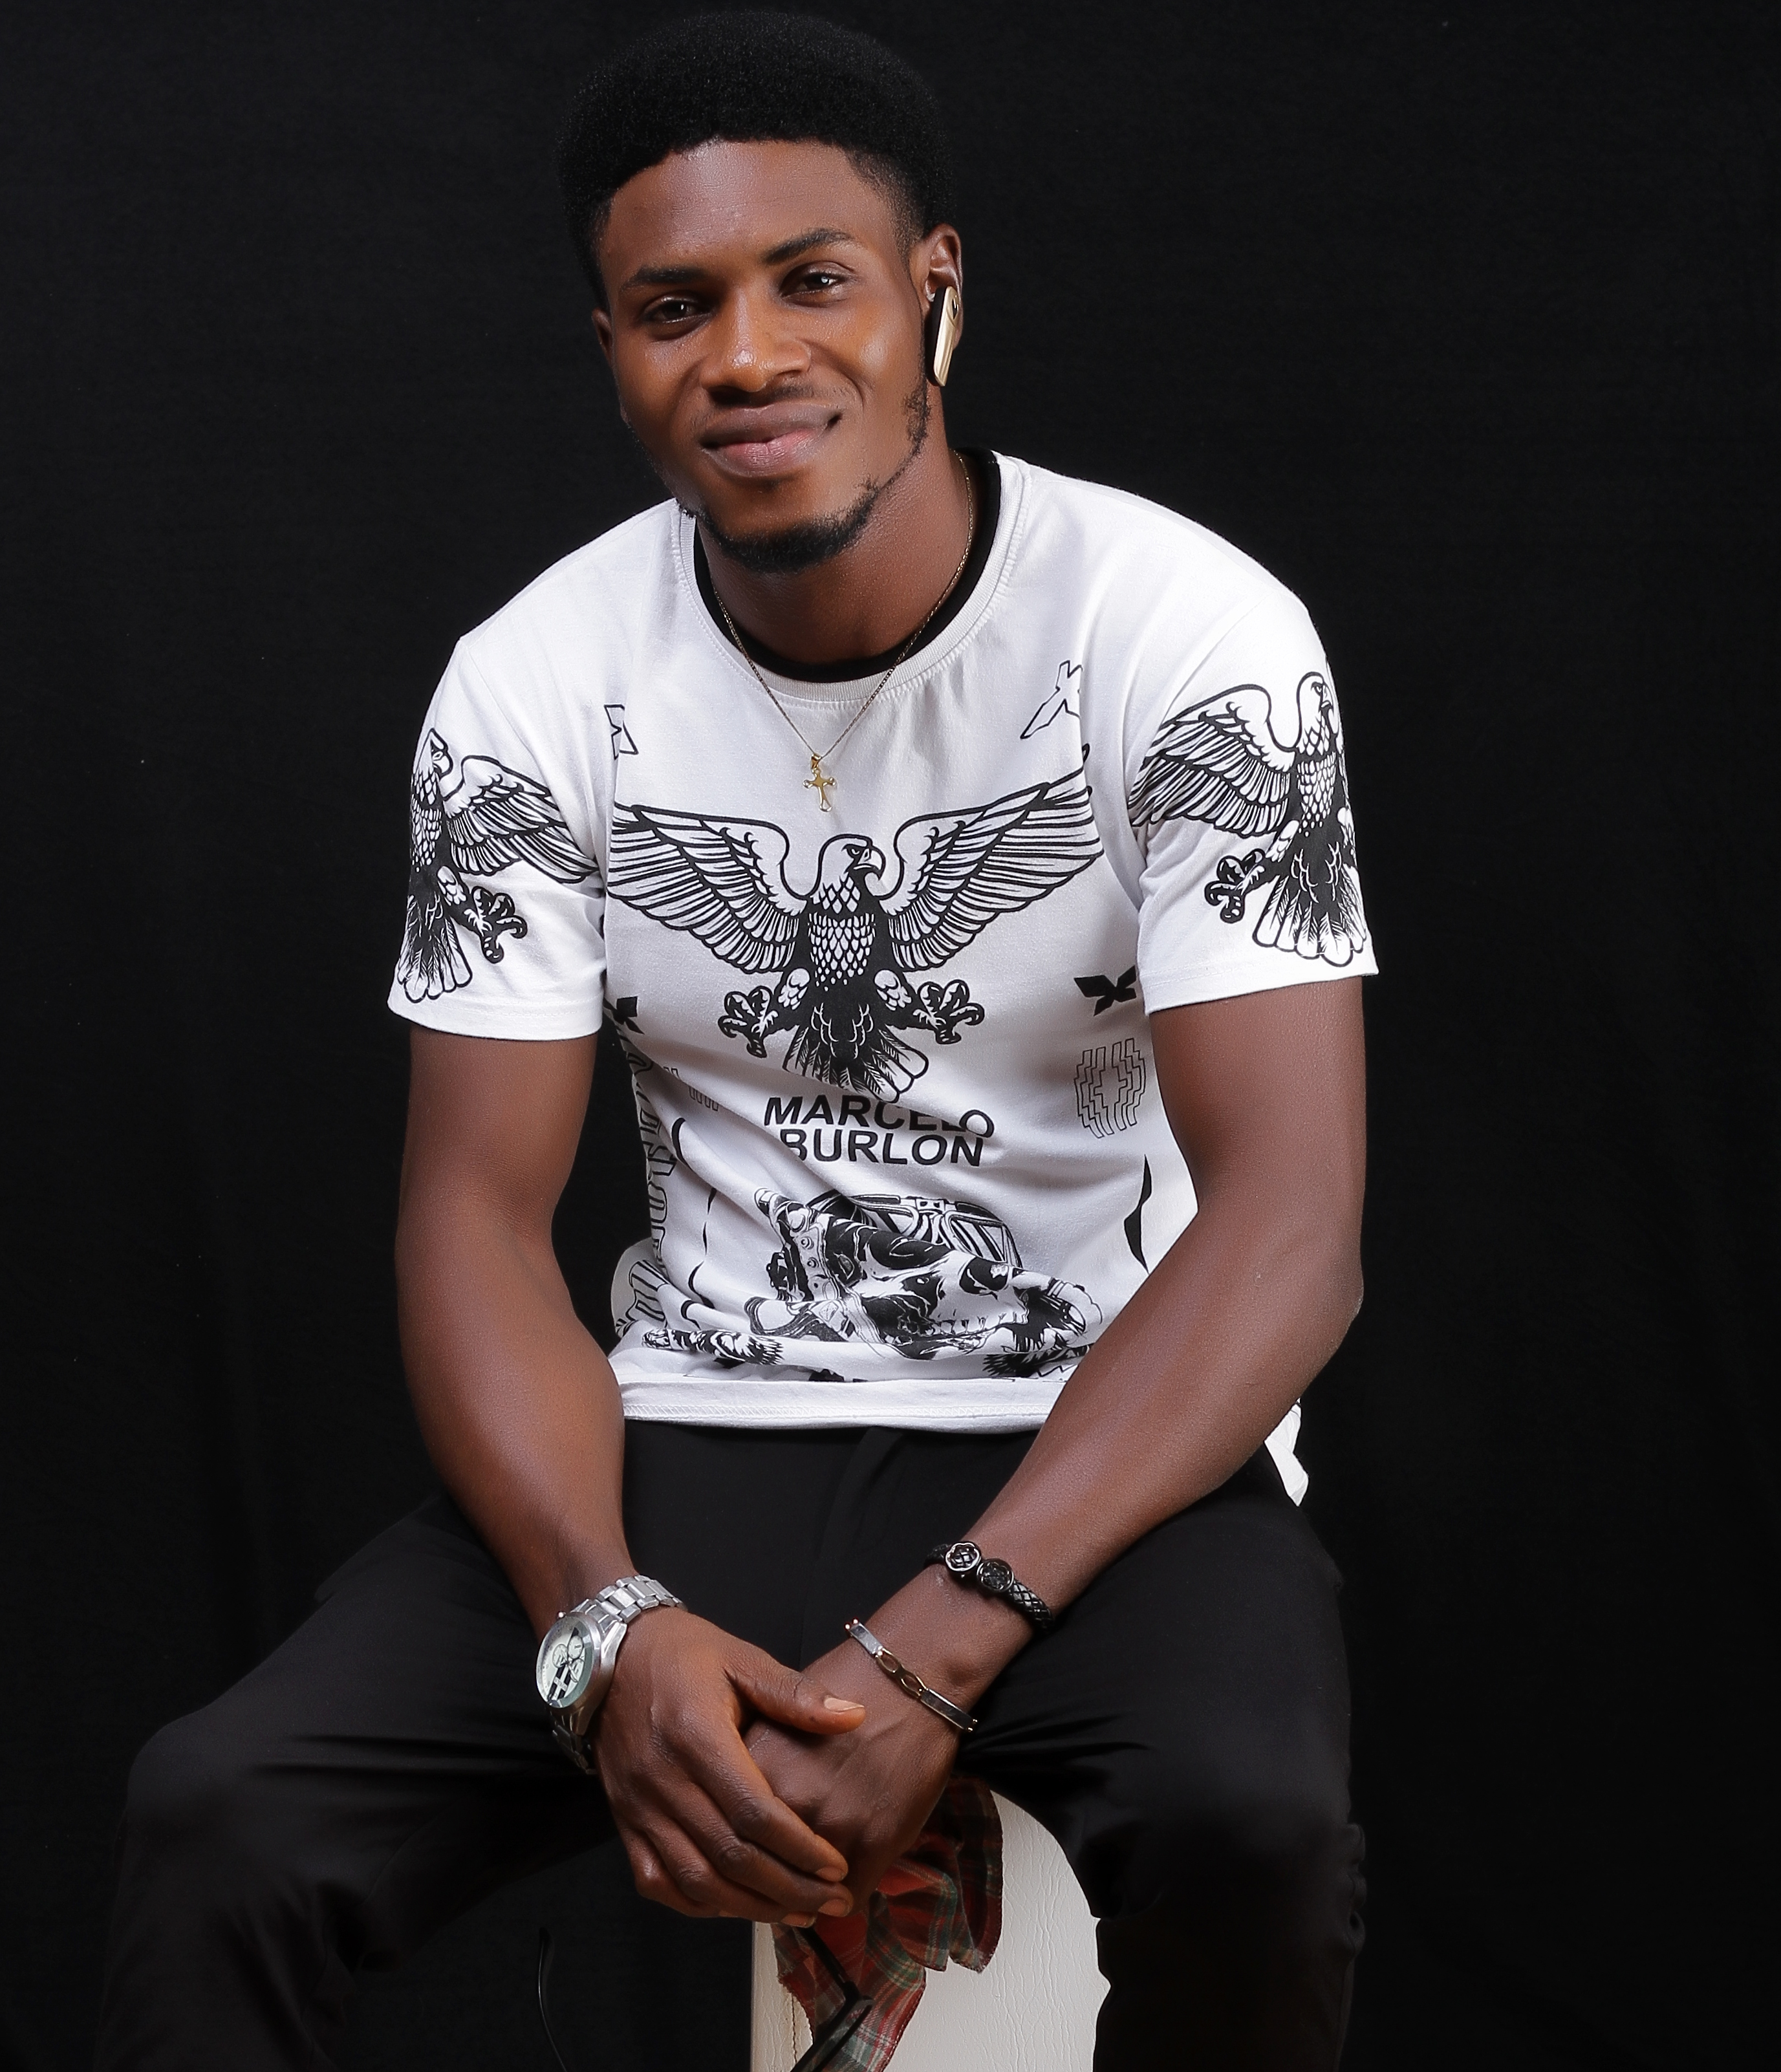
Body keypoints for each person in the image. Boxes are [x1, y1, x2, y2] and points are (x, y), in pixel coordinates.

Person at [96, 12, 1374, 2068]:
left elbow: (1290, 1223)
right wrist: (603, 1623)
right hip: (695, 1423)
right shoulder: (537, 681)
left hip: (1097, 1438)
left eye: (813, 280)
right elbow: (473, 1222)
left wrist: (940, 1647)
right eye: (676, 306)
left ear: (933, 290)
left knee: (1251, 1819)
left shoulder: (1181, 632)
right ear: (610, 344)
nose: (748, 355)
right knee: (220, 1812)